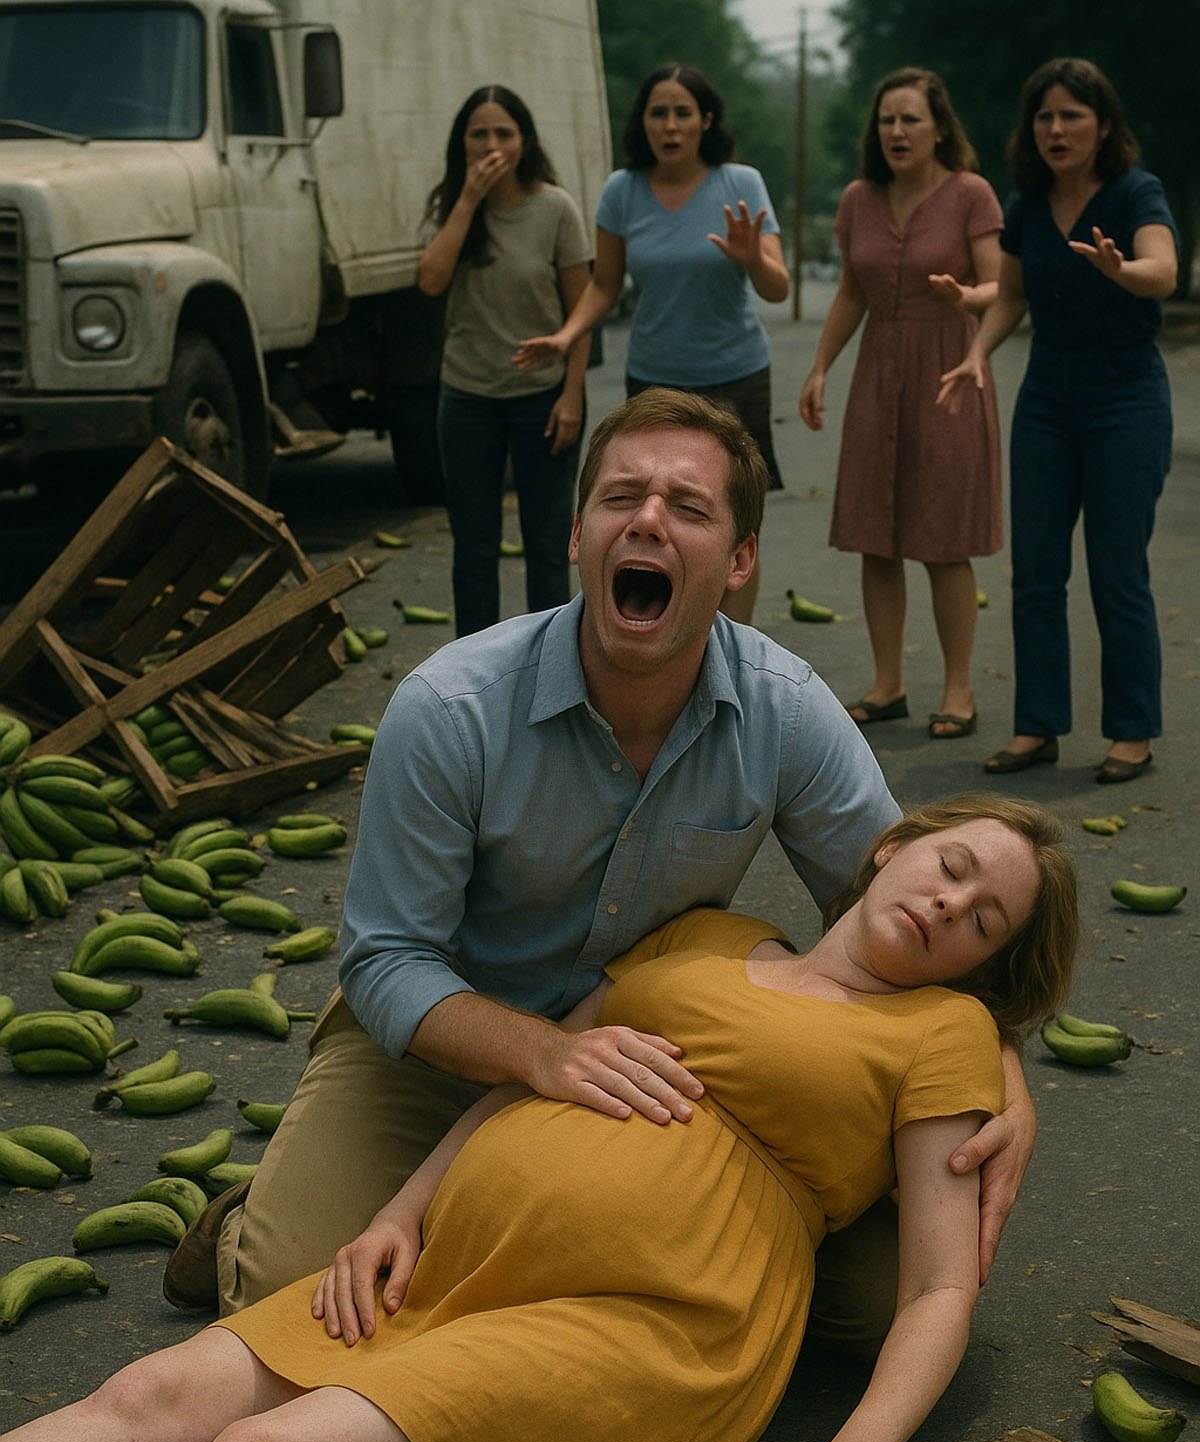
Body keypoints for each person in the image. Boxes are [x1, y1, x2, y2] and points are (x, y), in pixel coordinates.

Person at [164, 390, 1037, 1375]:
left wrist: (1005, 1077)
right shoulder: (451, 707)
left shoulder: (785, 712)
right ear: (578, 536)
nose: (650, 520)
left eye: (690, 508)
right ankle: (250, 1217)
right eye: (622, 498)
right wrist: (542, 1052)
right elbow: (386, 961)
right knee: (298, 1300)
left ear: (740, 560)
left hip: (657, 1057)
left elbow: (914, 901)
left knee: (877, 1304)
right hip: (438, 1049)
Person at [2, 794, 1080, 1442]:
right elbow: (546, 1071)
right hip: (455, 1270)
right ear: (891, 847)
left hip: (653, 1319)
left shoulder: (945, 1032)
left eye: (984, 920)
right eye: (949, 866)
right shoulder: (709, 936)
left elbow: (940, 1286)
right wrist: (399, 1213)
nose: (950, 903)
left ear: (983, 968)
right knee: (142, 1401)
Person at [938, 58, 1176, 783]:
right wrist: (976, 353)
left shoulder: (1136, 192)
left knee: (1117, 570)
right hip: (1047, 397)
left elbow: (1163, 271)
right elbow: (1011, 294)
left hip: (1126, 395)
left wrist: (1120, 271)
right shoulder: (1028, 203)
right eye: (1044, 116)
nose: (1056, 129)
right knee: (1037, 573)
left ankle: (1131, 732)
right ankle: (1037, 726)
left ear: (1103, 125)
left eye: (1072, 114)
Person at [514, 62, 790, 624]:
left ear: (705, 120)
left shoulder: (740, 183)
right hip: (655, 379)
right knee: (658, 514)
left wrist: (752, 258)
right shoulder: (623, 190)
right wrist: (568, 335)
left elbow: (777, 287)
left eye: (682, 113)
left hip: (735, 373)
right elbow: (604, 285)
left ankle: (733, 645)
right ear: (642, 123)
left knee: (733, 521)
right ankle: (671, 634)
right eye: (658, 113)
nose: (670, 125)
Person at [799, 67, 1003, 740]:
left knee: (944, 540)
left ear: (939, 128)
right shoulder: (860, 198)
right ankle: (887, 684)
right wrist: (820, 368)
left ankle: (958, 689)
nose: (897, 131)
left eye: (911, 119)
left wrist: (966, 297)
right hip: (878, 374)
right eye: (887, 120)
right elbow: (851, 292)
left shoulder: (971, 193)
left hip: (948, 372)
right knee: (875, 536)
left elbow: (1000, 286)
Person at [417, 85, 593, 638]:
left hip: (543, 397)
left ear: (525, 141)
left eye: (504, 134)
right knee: (473, 544)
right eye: (479, 135)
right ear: (462, 143)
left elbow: (582, 308)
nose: (491, 145)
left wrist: (572, 395)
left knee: (548, 543)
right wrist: (468, 200)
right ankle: (472, 667)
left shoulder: (554, 208)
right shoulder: (452, 207)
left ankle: (550, 660)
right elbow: (430, 280)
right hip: (468, 396)